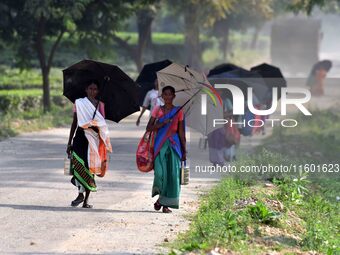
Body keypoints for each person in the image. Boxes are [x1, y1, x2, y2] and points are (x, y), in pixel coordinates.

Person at [66, 80, 112, 208]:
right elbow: (75, 122)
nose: (93, 91)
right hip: (80, 137)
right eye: (90, 88)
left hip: (93, 139)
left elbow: (103, 125)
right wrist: (69, 142)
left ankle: (85, 199)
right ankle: (80, 194)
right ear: (86, 89)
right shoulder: (79, 103)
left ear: (98, 91)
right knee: (78, 165)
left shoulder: (100, 105)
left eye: (95, 89)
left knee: (90, 168)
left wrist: (94, 124)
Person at [146, 86, 186, 213]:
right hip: (159, 146)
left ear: (174, 96)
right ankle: (160, 199)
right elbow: (149, 127)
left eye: (170, 94)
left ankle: (164, 204)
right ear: (162, 96)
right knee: (160, 174)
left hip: (174, 146)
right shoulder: (157, 110)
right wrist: (162, 123)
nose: (168, 97)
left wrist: (184, 151)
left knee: (172, 176)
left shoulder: (179, 111)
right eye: (165, 94)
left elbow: (181, 133)